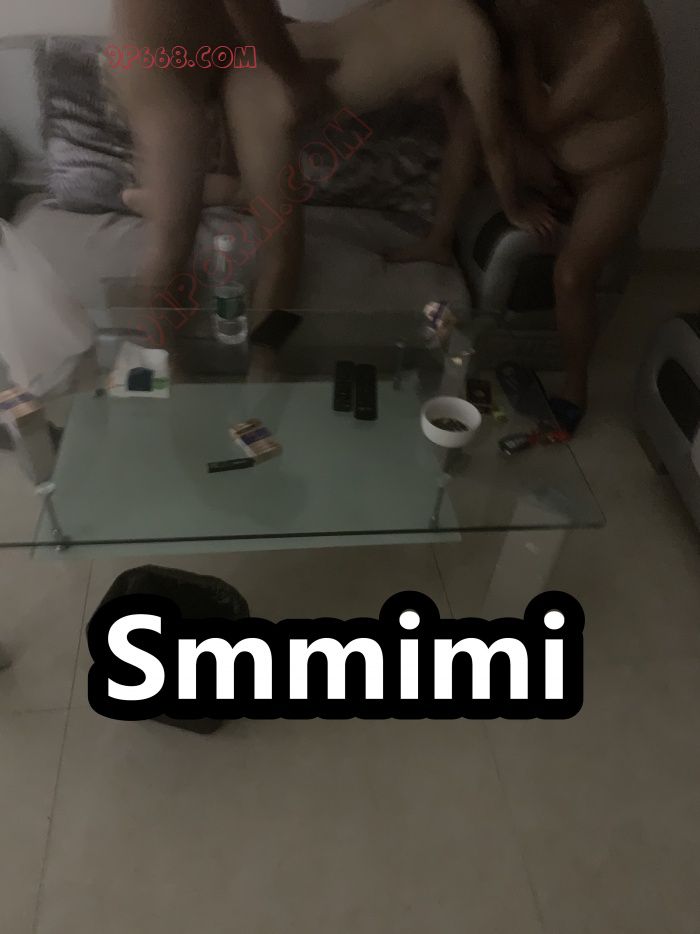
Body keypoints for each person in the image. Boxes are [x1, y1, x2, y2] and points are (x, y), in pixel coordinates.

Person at [389, 0, 666, 433]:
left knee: (571, 276)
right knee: (472, 110)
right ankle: (438, 240)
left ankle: (575, 387)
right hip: (557, 154)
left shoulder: (617, 25)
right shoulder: (535, 16)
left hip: (616, 169)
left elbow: (542, 119)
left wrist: (521, 39)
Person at [215, 0, 554, 314]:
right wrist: (515, 208)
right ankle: (263, 356)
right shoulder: (474, 35)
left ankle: (437, 241)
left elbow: (467, 136)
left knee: (247, 195)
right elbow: (495, 142)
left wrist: (441, 237)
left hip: (260, 60)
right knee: (283, 262)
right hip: (268, 92)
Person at [112, 0, 336, 290]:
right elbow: (248, 7)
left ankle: (152, 199)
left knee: (240, 186)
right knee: (172, 250)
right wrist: (296, 78)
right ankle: (153, 317)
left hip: (196, 59)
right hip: (164, 80)